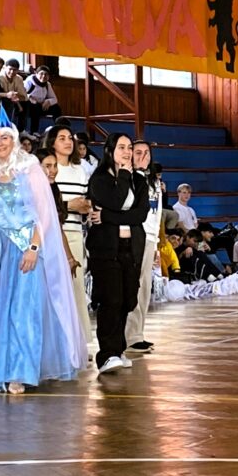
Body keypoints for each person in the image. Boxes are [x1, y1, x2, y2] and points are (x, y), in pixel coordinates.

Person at [0, 104, 85, 394]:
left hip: (25, 247)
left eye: (4, 138)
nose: (0, 144)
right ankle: (1, 369)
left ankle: (20, 370)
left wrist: (33, 247)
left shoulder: (29, 169)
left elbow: (44, 214)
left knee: (23, 311)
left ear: (13, 139)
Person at [86, 133, 150, 374]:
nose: (126, 152)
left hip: (130, 248)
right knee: (110, 299)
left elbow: (140, 214)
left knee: (126, 299)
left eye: (129, 147)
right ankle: (106, 354)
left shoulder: (139, 181)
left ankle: (118, 349)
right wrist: (123, 174)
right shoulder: (100, 179)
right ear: (109, 151)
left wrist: (107, 217)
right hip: (106, 248)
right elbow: (115, 199)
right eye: (121, 147)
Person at [44, 124, 93, 347]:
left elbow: (84, 201)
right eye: (61, 137)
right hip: (50, 233)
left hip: (74, 231)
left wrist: (85, 207)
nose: (68, 141)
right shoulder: (45, 169)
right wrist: (68, 205)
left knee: (76, 289)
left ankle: (81, 341)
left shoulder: (80, 170)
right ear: (51, 141)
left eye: (70, 138)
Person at [124, 140, 161, 354]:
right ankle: (129, 335)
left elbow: (157, 216)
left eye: (146, 152)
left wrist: (156, 243)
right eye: (137, 152)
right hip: (133, 237)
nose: (143, 156)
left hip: (150, 239)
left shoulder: (154, 181)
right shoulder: (127, 178)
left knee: (145, 288)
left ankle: (138, 333)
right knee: (133, 286)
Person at [22, 66, 62, 133]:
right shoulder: (29, 82)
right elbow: (22, 94)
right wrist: (30, 98)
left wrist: (48, 101)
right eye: (41, 74)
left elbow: (55, 99)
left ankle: (59, 128)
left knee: (56, 108)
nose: (43, 76)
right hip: (29, 108)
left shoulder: (47, 85)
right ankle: (34, 132)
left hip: (42, 106)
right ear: (36, 74)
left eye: (46, 74)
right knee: (35, 107)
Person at [0, 58, 28, 127]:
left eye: (15, 70)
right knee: (7, 102)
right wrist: (11, 95)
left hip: (15, 99)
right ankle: (5, 127)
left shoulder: (19, 78)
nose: (12, 72)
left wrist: (15, 96)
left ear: (18, 70)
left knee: (27, 103)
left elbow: (24, 97)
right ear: (5, 68)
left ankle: (22, 130)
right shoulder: (0, 77)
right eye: (10, 69)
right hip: (3, 99)